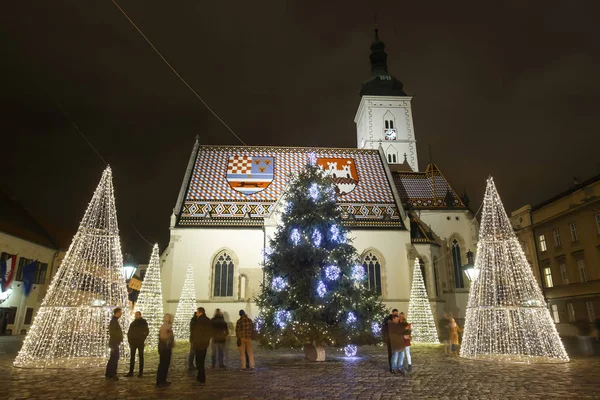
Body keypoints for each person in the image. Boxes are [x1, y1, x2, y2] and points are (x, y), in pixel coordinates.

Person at [191, 307, 212, 386]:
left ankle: (201, 380)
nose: (196, 314)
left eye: (197, 312)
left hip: (199, 344)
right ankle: (200, 379)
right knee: (201, 362)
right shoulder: (208, 320)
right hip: (204, 344)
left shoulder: (199, 321)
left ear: (200, 313)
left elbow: (197, 333)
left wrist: (195, 342)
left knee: (199, 363)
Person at [126, 311, 149, 377]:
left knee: (141, 357)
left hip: (140, 342)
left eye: (137, 314)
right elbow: (129, 332)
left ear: (140, 315)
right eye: (135, 315)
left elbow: (146, 331)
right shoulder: (133, 323)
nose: (136, 316)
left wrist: (142, 338)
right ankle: (131, 372)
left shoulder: (143, 322)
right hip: (133, 342)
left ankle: (140, 373)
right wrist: (129, 340)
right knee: (132, 357)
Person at [156, 313, 174, 388]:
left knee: (163, 364)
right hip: (165, 347)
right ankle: (161, 380)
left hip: (163, 347)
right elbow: (164, 337)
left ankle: (161, 380)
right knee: (164, 364)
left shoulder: (163, 325)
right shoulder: (167, 326)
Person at [105, 307, 123, 381]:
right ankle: (112, 373)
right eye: (120, 313)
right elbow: (112, 332)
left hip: (114, 342)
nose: (121, 314)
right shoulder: (113, 321)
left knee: (113, 358)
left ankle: (109, 373)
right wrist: (120, 336)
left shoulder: (115, 321)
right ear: (117, 313)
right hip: (114, 342)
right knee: (114, 358)